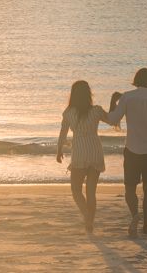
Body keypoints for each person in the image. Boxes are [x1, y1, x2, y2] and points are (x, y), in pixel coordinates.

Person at [107, 67, 147, 237]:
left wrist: (113, 102)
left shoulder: (127, 97)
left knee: (129, 188)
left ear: (136, 80)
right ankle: (146, 226)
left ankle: (135, 215)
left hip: (132, 149)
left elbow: (113, 120)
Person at [56, 80, 111, 234]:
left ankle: (87, 217)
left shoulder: (68, 113)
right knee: (91, 192)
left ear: (73, 95)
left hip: (79, 152)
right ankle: (89, 221)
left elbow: (63, 133)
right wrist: (114, 102)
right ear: (88, 94)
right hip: (95, 150)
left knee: (75, 190)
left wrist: (59, 150)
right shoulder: (97, 111)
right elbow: (113, 120)